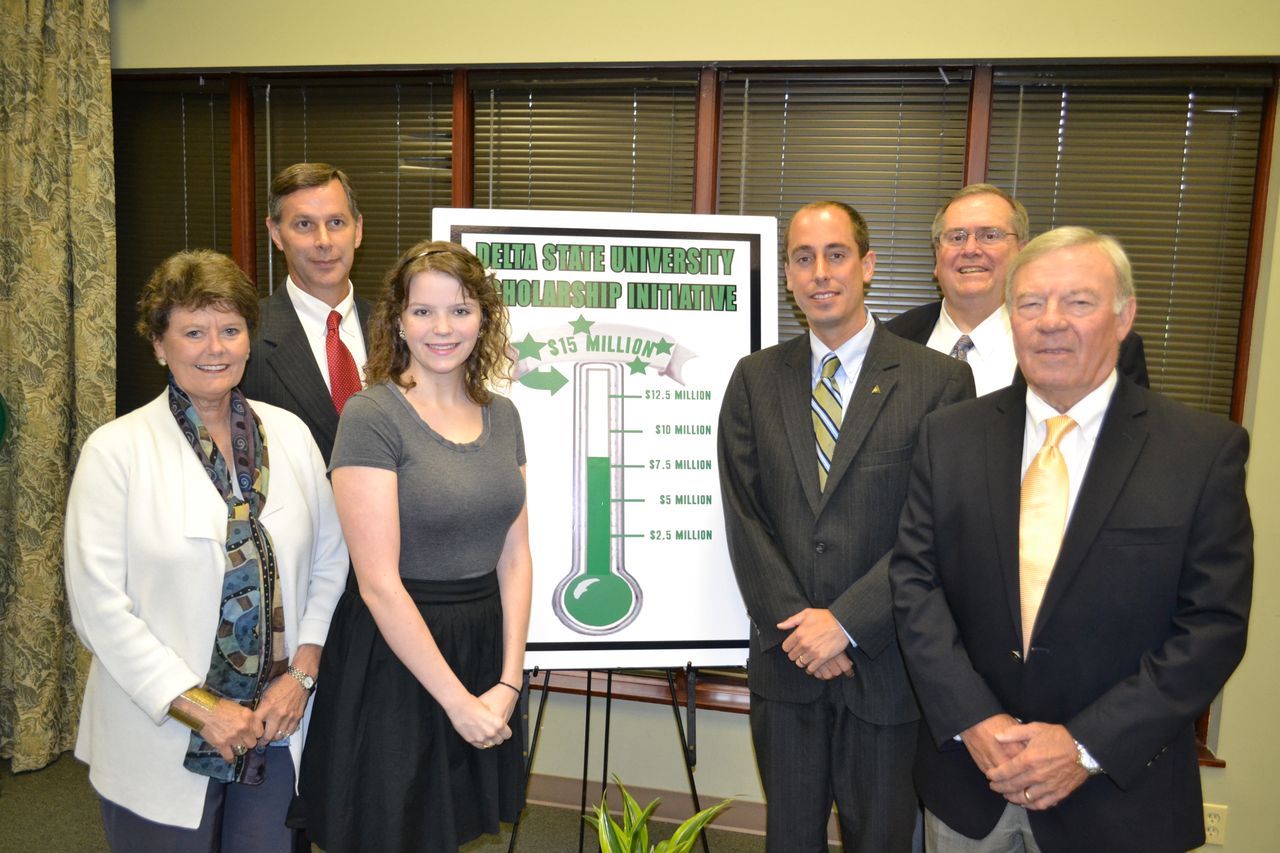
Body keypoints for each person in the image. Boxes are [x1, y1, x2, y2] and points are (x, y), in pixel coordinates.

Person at [891, 227, 1253, 852]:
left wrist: (1084, 746)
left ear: (1123, 317)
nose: (1050, 322)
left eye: (1079, 302)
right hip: (971, 779)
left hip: (1117, 795)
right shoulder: (947, 437)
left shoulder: (1199, 452)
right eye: (1030, 303)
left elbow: (1212, 627)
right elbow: (915, 585)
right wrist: (974, 719)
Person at [64, 250, 349, 851]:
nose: (214, 348)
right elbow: (98, 608)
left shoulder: (292, 436)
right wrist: (202, 708)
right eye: (192, 332)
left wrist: (301, 673)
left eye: (229, 329)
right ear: (160, 345)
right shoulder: (116, 451)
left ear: (249, 340)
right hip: (162, 728)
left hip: (274, 725)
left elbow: (330, 559)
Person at [717, 201, 975, 852]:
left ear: (868, 266)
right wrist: (801, 625)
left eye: (836, 254)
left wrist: (847, 621)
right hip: (788, 664)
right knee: (790, 839)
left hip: (885, 666)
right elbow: (744, 514)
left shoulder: (939, 381)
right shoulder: (754, 380)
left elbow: (936, 525)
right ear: (787, 275)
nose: (820, 271)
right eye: (803, 258)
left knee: (883, 840)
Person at [298, 240, 532, 852]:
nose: (442, 328)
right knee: (395, 831)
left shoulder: (504, 415)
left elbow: (515, 556)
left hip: (482, 646)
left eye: (459, 310)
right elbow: (377, 582)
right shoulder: (371, 416)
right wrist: (458, 702)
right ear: (398, 319)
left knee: (450, 827)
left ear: (484, 318)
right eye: (423, 312)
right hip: (396, 655)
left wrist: (508, 681)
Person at [885, 184, 1148, 395]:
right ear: (936, 257)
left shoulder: (1099, 344)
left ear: (1023, 253)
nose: (970, 249)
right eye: (956, 237)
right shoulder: (890, 340)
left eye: (990, 235)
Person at [240, 162, 372, 462]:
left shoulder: (401, 332)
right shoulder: (245, 338)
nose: (323, 241)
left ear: (358, 230)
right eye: (304, 225)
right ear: (275, 233)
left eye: (336, 222)